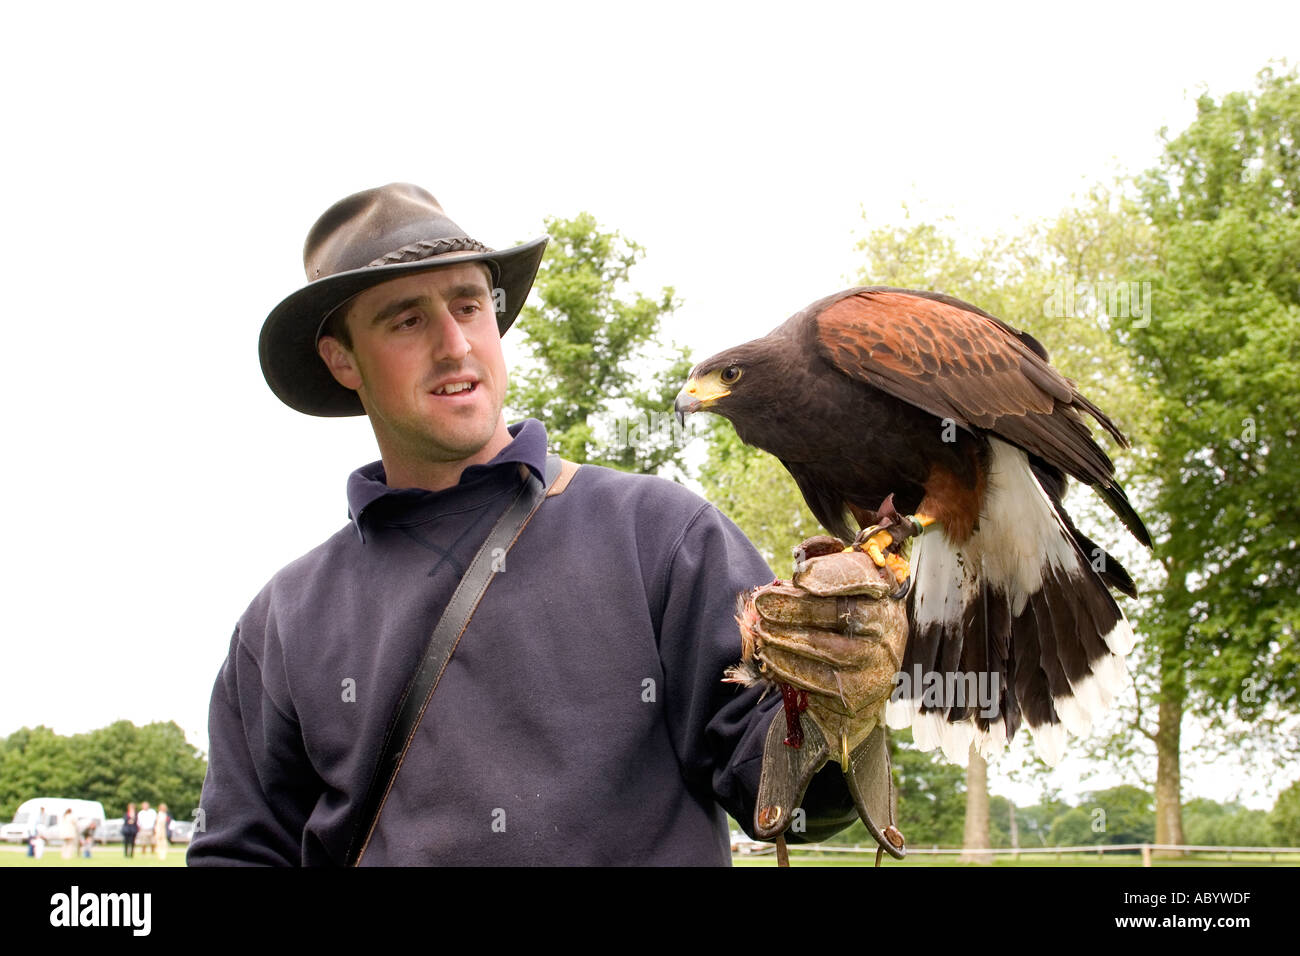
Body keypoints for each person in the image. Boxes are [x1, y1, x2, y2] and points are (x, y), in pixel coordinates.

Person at [188, 184, 858, 866]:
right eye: (406, 321)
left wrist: (843, 705)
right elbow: (243, 854)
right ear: (342, 359)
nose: (455, 345)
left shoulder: (659, 535)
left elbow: (787, 797)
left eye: (470, 307)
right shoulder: (283, 619)